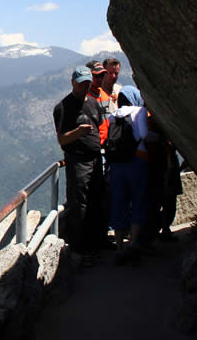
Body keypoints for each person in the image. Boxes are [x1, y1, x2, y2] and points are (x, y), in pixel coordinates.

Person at [53, 66, 105, 263]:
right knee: (79, 204)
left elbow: (99, 125)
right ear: (73, 82)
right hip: (78, 161)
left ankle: (96, 244)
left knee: (96, 200)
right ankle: (80, 249)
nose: (85, 86)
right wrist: (78, 133)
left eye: (87, 83)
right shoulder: (63, 107)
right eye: (82, 83)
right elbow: (62, 140)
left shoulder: (93, 103)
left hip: (95, 158)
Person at [107, 85, 159, 265]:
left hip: (116, 164)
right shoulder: (140, 111)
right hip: (137, 161)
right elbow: (144, 135)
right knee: (138, 200)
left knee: (119, 201)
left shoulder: (113, 115)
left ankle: (119, 246)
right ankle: (133, 243)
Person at [85, 60, 112, 144]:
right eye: (96, 76)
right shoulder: (85, 98)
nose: (100, 79)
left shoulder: (104, 95)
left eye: (102, 75)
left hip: (108, 142)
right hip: (95, 144)